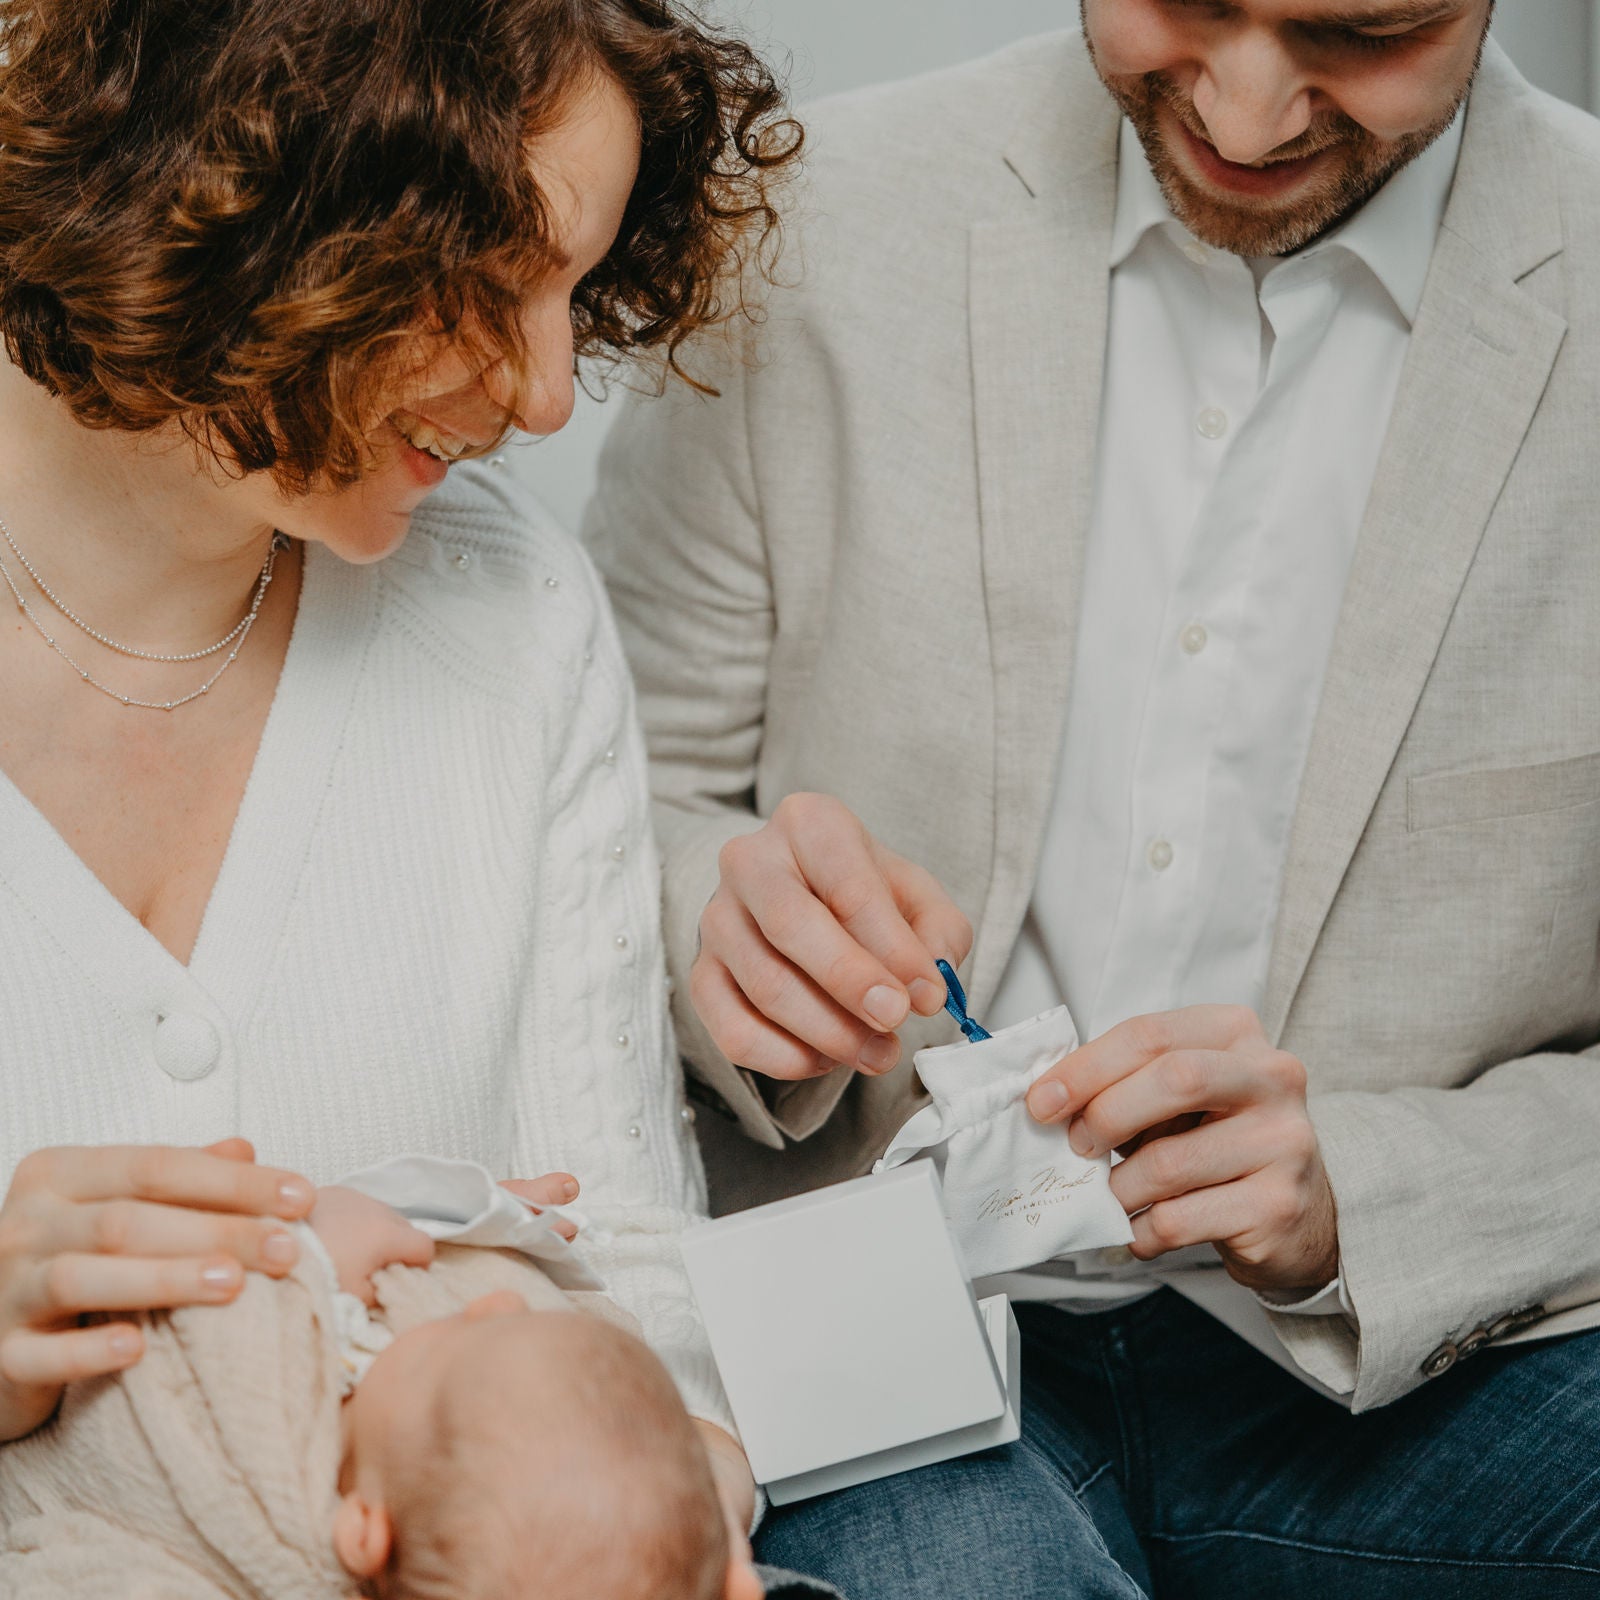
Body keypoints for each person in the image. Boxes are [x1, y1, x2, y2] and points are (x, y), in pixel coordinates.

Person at [588, 0, 1600, 1593]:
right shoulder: (811, 218)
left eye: (1364, 31)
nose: (1250, 114)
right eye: (1189, 1)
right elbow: (605, 784)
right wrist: (720, 915)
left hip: (1457, 1348)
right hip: (877, 1303)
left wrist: (1362, 1188)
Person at [0, 2, 837, 1596]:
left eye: (574, 296)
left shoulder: (510, 613)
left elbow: (641, 1299)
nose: (542, 400)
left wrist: (664, 1497)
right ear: (222, 186)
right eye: (486, 281)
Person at [1, 1176, 748, 1600]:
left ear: (360, 1529)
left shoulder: (246, 1483)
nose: (491, 1303)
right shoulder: (435, 1449)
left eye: (455, 1341)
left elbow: (191, 1331)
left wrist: (311, 1258)